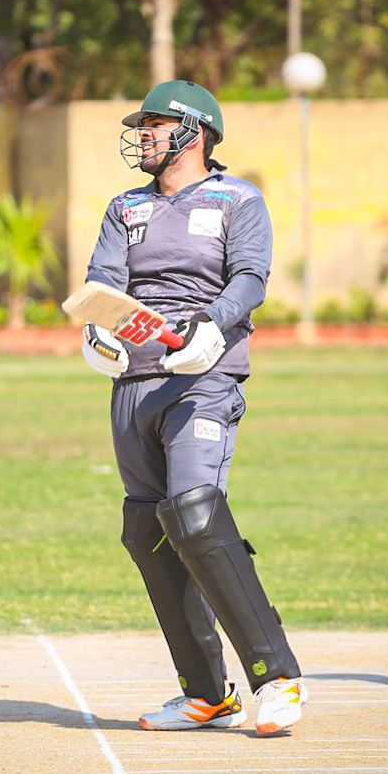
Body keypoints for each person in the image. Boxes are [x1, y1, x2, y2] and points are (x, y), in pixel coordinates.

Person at [80, 80, 306, 736]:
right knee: (147, 532)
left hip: (204, 376)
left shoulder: (239, 198)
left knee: (196, 514)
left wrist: (211, 323)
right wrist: (96, 329)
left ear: (195, 130)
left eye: (155, 123)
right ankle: (207, 694)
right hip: (134, 382)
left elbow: (250, 278)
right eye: (141, 125)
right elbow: (104, 284)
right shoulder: (125, 206)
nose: (143, 134)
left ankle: (277, 677)